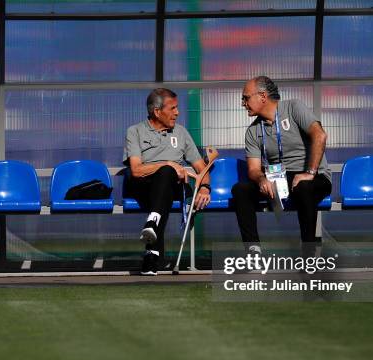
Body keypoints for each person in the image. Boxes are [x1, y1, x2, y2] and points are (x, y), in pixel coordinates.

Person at [232, 76, 331, 253]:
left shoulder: (293, 108)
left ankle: (308, 254)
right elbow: (254, 169)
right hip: (281, 179)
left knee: (304, 186)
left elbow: (320, 135)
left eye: (246, 98)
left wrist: (310, 172)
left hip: (313, 176)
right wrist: (262, 179)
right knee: (240, 190)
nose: (243, 103)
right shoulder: (253, 131)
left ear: (262, 96)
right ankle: (253, 251)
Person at [123, 88, 211, 275]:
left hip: (174, 185)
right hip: (144, 185)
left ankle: (152, 230)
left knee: (166, 177)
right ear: (157, 111)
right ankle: (153, 254)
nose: (177, 113)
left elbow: (200, 168)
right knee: (165, 174)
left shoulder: (181, 133)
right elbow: (137, 170)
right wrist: (169, 164)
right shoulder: (135, 131)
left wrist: (204, 187)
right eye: (173, 108)